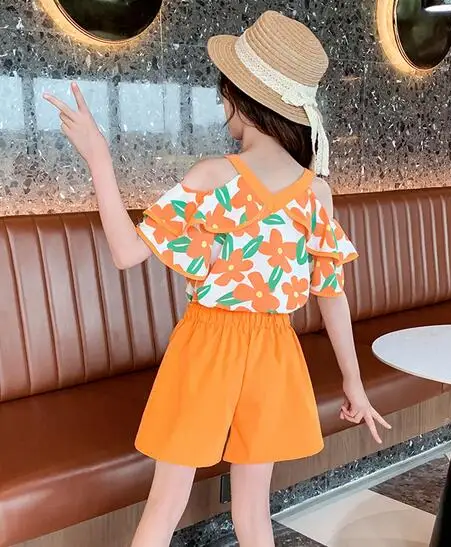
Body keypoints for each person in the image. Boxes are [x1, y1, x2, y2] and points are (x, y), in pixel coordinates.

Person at [44, 10, 391, 547]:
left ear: (241, 101)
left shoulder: (212, 176)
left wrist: (99, 157)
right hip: (276, 353)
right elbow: (332, 294)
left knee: (164, 509)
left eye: (223, 94)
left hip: (206, 347)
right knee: (253, 516)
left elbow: (126, 252)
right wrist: (354, 384)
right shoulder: (316, 193)